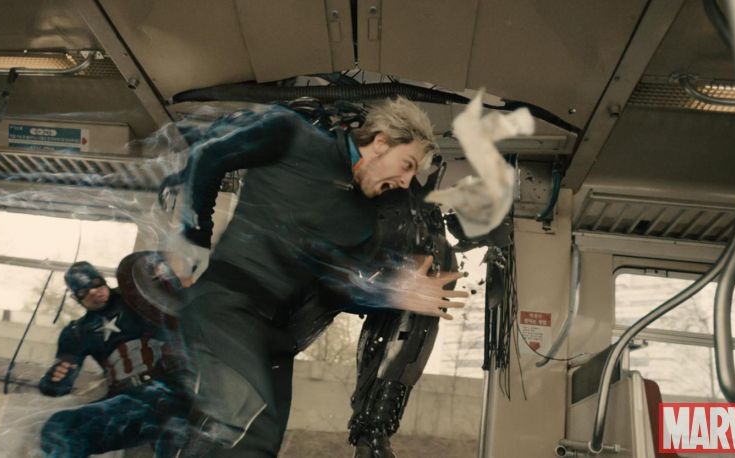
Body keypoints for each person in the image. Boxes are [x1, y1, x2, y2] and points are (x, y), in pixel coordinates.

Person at [171, 97, 468, 456]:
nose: (406, 182)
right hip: (227, 306)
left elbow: (335, 289)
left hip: (276, 336)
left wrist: (392, 293)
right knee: (249, 429)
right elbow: (209, 152)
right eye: (406, 165)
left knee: (257, 447)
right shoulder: (293, 135)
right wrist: (193, 239)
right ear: (380, 142)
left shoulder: (364, 220)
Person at [38, 256, 193, 458]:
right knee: (61, 428)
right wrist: (54, 380)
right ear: (76, 298)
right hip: (130, 403)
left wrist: (165, 271)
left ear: (103, 279)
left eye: (96, 283)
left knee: (178, 446)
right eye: (84, 291)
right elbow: (61, 382)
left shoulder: (135, 296)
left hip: (169, 390)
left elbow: (174, 291)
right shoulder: (78, 332)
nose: (94, 292)